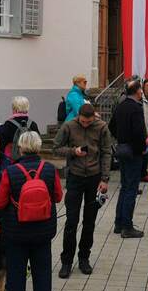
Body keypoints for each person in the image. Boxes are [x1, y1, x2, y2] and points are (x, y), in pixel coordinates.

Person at [0, 131, 63, 291]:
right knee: (43, 274)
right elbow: (58, 197)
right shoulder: (50, 169)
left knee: (16, 276)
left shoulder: (10, 171)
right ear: (38, 147)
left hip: (15, 232)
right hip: (43, 231)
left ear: (20, 148)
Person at [53, 103, 112, 278]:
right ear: (78, 117)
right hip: (75, 177)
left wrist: (105, 178)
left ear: (94, 117)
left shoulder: (101, 127)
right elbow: (56, 149)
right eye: (83, 121)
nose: (86, 124)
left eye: (89, 121)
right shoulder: (69, 126)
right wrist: (73, 151)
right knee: (71, 221)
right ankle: (66, 261)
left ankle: (84, 257)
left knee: (89, 221)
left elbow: (107, 152)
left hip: (94, 177)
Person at [111, 79, 148, 238]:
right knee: (131, 189)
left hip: (122, 149)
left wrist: (121, 138)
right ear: (138, 91)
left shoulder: (121, 106)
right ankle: (127, 226)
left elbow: (111, 126)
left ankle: (119, 223)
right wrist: (142, 149)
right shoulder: (135, 108)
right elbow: (139, 132)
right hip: (133, 152)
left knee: (125, 187)